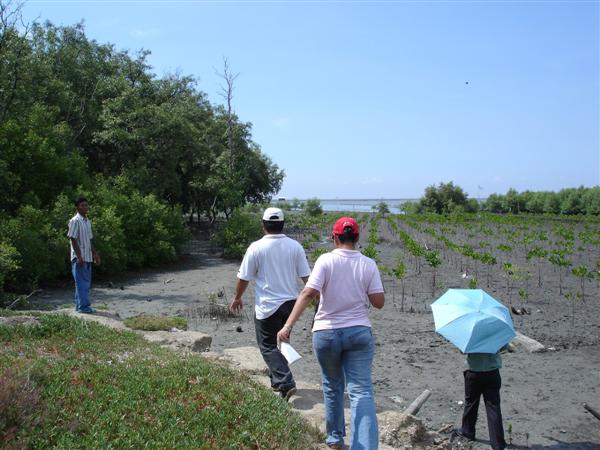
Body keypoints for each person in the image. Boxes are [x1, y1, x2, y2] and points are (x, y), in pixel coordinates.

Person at [277, 216, 385, 450]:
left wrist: (287, 326)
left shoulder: (325, 260)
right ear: (357, 238)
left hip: (326, 333)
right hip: (358, 332)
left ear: (335, 237)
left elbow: (307, 293)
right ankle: (363, 446)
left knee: (332, 384)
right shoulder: (369, 264)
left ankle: (335, 438)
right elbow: (378, 302)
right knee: (361, 391)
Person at [229, 207, 310, 401]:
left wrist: (237, 297)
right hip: (291, 304)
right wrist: (315, 296)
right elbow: (307, 277)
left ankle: (285, 381)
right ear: (282, 225)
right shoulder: (295, 246)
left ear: (263, 225)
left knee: (267, 346)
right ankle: (277, 382)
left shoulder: (256, 247)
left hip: (268, 305)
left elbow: (243, 277)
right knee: (281, 343)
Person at [459, 349, 507, 450]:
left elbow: (462, 350)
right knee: (493, 408)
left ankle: (468, 433)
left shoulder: (470, 334)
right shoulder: (495, 333)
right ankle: (498, 444)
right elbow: (503, 346)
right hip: (492, 372)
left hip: (474, 372)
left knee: (470, 403)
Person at [67, 197, 101, 313]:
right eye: (82, 205)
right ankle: (84, 307)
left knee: (83, 283)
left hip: (87, 257)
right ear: (77, 207)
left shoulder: (87, 221)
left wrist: (95, 255)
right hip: (79, 258)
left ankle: (79, 306)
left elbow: (89, 240)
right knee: (82, 283)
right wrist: (79, 257)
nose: (85, 207)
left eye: (86, 205)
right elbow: (73, 238)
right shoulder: (75, 221)